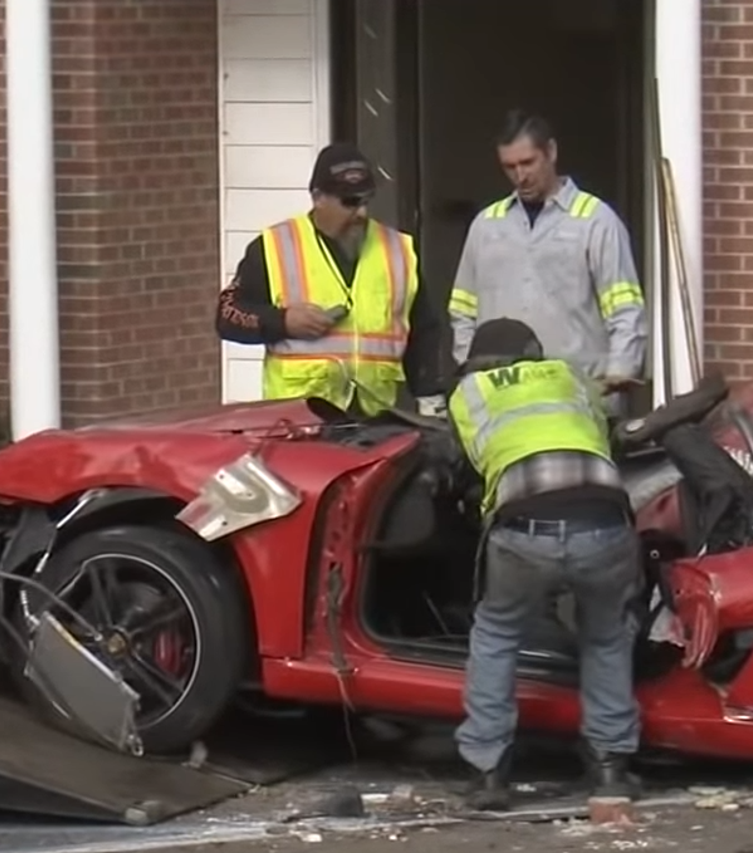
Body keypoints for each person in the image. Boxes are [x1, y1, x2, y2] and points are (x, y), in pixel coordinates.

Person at [447, 317, 643, 811]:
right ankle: (609, 768)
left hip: (523, 529)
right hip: (604, 518)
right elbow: (602, 432)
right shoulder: (570, 374)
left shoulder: (468, 393)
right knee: (605, 635)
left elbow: (474, 462)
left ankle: (488, 773)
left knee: (496, 633)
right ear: (535, 353)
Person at [217, 142, 447, 415]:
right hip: (302, 422)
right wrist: (282, 321)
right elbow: (227, 315)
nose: (360, 213)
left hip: (376, 419)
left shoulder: (399, 249)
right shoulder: (275, 246)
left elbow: (423, 330)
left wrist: (432, 401)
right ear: (318, 198)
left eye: (365, 201)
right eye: (349, 202)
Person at [447, 111, 648, 411]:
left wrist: (617, 378)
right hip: (502, 400)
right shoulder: (486, 226)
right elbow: (463, 310)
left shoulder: (595, 221)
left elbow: (625, 309)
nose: (520, 175)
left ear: (550, 152)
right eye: (509, 167)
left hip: (576, 398)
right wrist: (472, 373)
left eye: (528, 163)